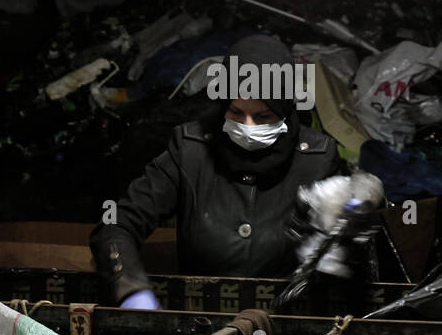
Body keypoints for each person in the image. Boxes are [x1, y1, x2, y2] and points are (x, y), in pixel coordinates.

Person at [90, 34, 341, 307]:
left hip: (282, 320)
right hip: (202, 316)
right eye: (236, 112)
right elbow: (118, 223)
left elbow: (355, 232)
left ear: (286, 109)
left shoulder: (316, 158)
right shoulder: (190, 151)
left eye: (263, 117)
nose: (248, 127)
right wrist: (131, 289)